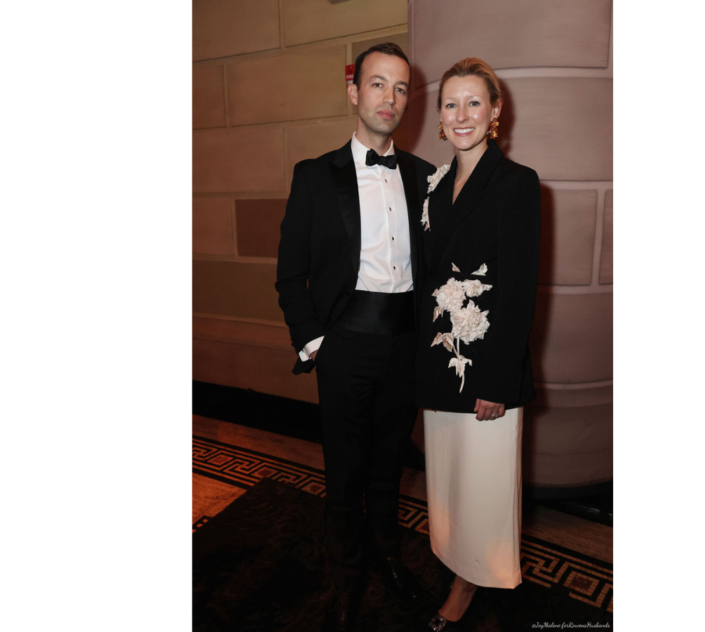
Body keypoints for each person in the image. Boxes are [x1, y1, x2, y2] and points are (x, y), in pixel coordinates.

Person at [275, 42, 436, 632]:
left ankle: (388, 559)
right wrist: (316, 342)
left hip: (404, 347)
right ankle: (345, 582)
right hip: (343, 346)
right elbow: (290, 274)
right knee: (344, 472)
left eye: (400, 88)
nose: (389, 98)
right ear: (354, 92)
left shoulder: (422, 176)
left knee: (389, 467)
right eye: (377, 85)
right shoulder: (315, 176)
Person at [415, 57, 541, 631]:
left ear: (495, 113)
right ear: (439, 117)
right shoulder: (435, 186)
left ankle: (472, 583)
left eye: (473, 103)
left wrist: (497, 382)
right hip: (442, 364)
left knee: (485, 487)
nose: (460, 114)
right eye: (450, 103)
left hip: (484, 369)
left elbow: (517, 291)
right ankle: (458, 563)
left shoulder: (516, 183)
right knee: (450, 482)